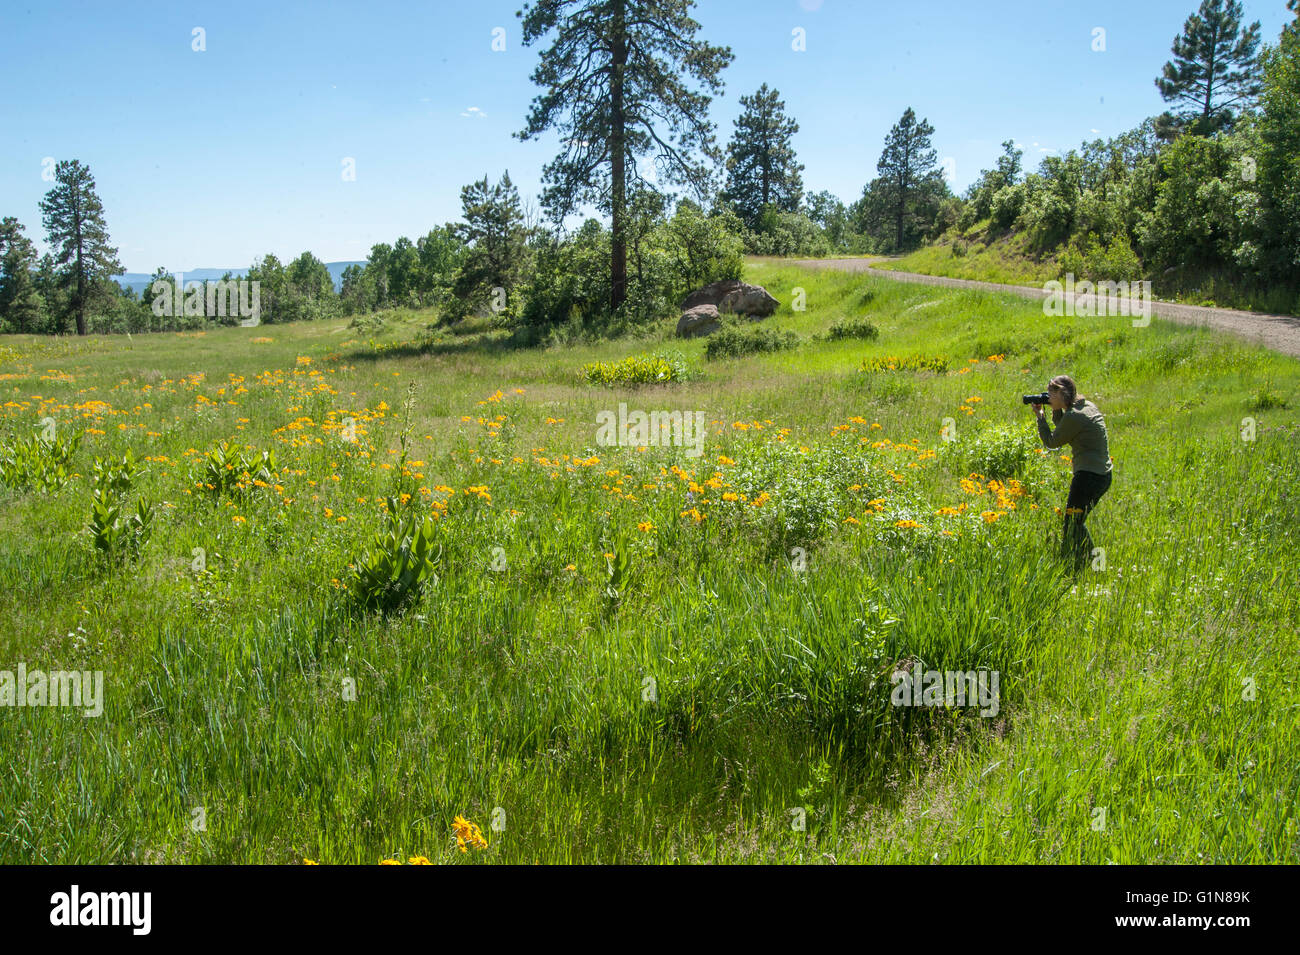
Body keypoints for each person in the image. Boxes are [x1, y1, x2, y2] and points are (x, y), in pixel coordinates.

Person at [1032, 375, 1112, 572]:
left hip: (1088, 477)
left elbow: (1052, 442)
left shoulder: (1076, 416)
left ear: (1062, 393)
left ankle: (1092, 565)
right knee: (1075, 521)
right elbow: (1065, 428)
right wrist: (1056, 410)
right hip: (1101, 475)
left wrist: (1040, 416)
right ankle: (1083, 562)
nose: (1048, 397)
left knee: (1073, 523)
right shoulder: (1085, 406)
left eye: (1051, 393)